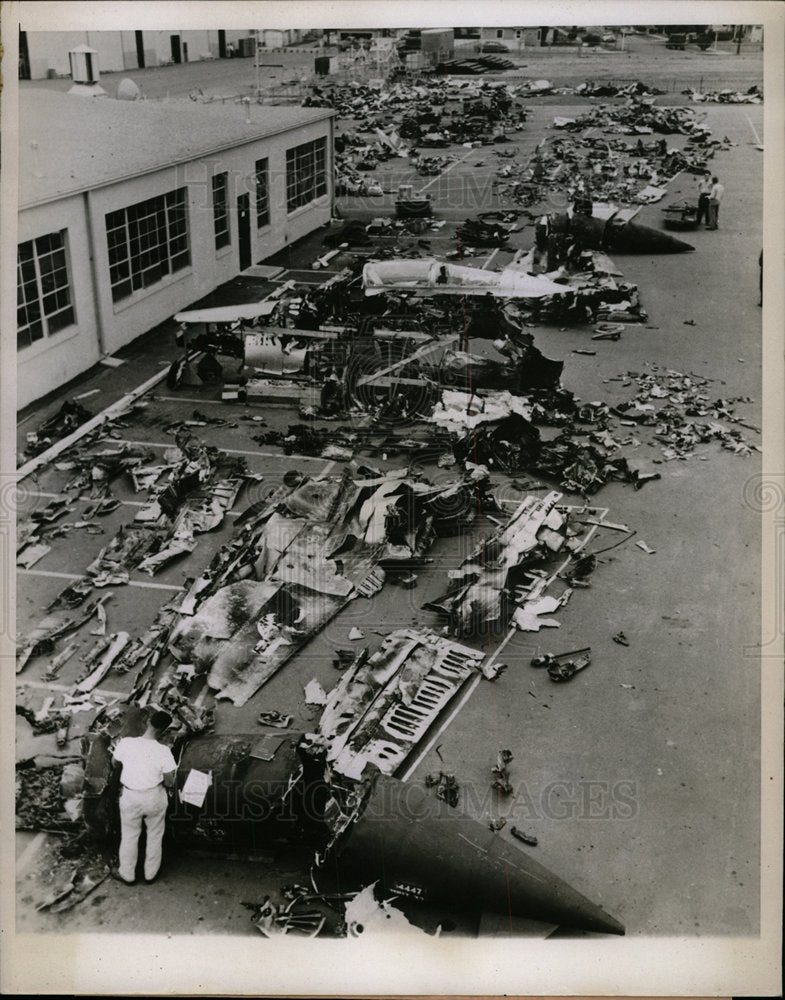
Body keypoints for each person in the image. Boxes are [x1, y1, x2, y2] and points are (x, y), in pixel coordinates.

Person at [111, 710, 177, 885]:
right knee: (155, 834)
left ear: (148, 721)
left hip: (130, 796)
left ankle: (127, 874)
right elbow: (170, 781)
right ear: (164, 730)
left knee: (130, 835)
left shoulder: (126, 743)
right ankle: (150, 874)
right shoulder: (164, 751)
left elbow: (115, 762)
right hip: (153, 797)